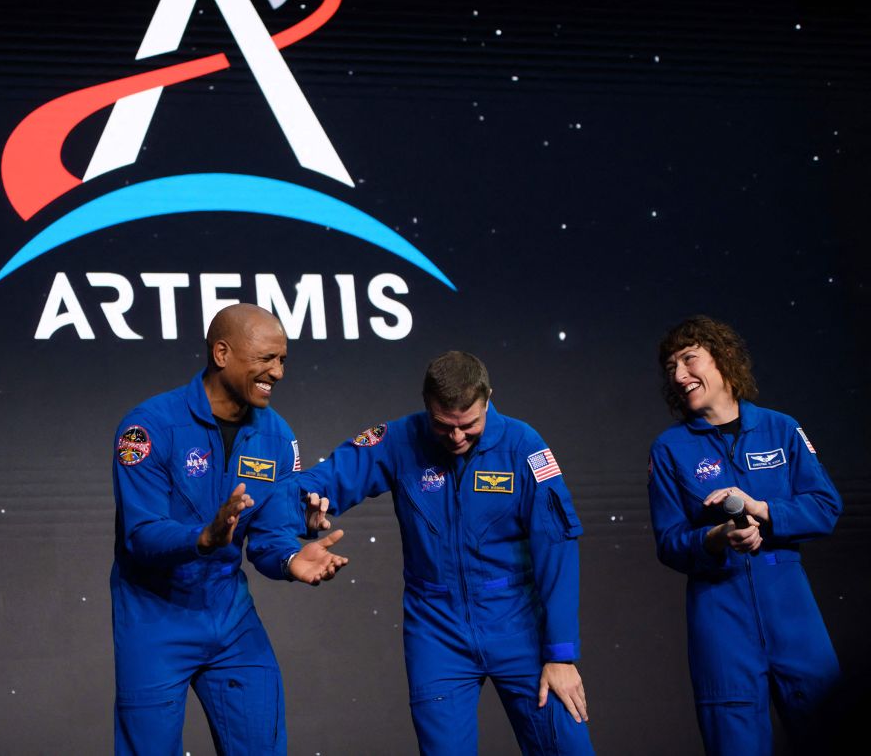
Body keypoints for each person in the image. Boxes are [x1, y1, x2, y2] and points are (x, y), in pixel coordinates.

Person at [298, 351, 593, 755]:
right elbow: (322, 480)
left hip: (518, 626)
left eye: (469, 425)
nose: (456, 437)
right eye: (443, 425)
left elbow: (557, 548)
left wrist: (560, 654)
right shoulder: (399, 440)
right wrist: (308, 509)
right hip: (437, 632)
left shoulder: (524, 446)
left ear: (488, 399)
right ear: (426, 405)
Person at [110, 303, 348, 755]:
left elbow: (268, 535)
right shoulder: (148, 428)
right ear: (222, 353)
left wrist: (290, 556)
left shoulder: (279, 437)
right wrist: (202, 538)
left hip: (230, 616)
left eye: (282, 360)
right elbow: (140, 535)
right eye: (266, 359)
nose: (277, 372)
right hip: (154, 619)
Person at [647, 315, 841, 755]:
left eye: (689, 359)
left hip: (791, 607)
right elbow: (669, 541)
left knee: (830, 728)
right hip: (720, 613)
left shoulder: (781, 428)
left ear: (722, 358)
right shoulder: (670, 449)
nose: (679, 375)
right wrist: (714, 538)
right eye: (671, 368)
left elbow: (826, 506)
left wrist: (763, 510)